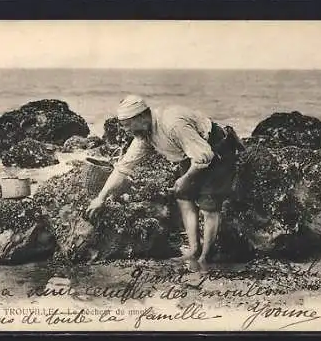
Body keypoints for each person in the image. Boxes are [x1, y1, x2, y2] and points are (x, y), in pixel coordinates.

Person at [85, 95, 245, 266]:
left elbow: (204, 156)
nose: (126, 131)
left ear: (141, 116)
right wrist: (100, 198)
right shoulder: (144, 134)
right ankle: (193, 250)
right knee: (183, 197)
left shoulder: (172, 124)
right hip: (189, 154)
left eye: (128, 125)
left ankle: (206, 256)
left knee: (209, 207)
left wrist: (185, 179)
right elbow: (123, 168)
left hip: (215, 149)